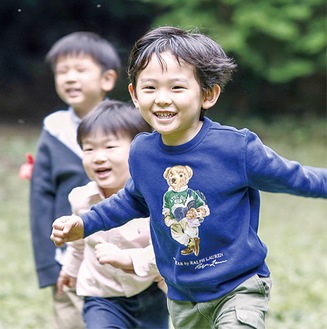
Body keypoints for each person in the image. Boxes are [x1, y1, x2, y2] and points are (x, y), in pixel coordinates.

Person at [50, 26, 327, 329]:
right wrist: (85, 224)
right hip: (182, 295)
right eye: (150, 88)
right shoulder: (142, 152)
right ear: (134, 94)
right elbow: (131, 200)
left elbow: (295, 177)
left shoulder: (236, 149)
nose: (162, 99)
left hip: (238, 286)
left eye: (177, 88)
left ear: (208, 94)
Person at [30, 31, 121, 329]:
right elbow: (41, 198)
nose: (70, 78)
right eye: (62, 71)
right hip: (67, 259)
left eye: (80, 70)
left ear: (107, 79)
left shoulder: (127, 126)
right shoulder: (54, 130)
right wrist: (47, 264)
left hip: (119, 255)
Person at [57, 99, 169, 329]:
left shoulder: (154, 199)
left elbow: (166, 248)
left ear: (139, 152)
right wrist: (70, 269)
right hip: (101, 296)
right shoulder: (80, 199)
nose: (98, 157)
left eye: (109, 147)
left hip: (150, 292)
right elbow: (79, 242)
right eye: (89, 148)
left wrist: (127, 259)